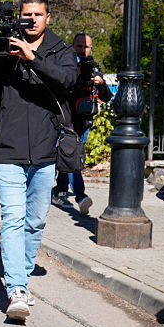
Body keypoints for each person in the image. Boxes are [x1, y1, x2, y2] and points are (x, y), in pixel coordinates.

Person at [0, 0, 76, 322]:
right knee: (13, 218)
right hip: (8, 149)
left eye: (38, 14)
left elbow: (67, 82)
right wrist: (0, 57)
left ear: (48, 17)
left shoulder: (60, 50)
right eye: (27, 14)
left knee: (35, 221)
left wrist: (32, 57)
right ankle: (17, 288)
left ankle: (21, 277)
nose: (32, 19)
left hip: (47, 151)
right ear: (20, 16)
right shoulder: (6, 45)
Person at [51, 33, 112, 216]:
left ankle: (60, 191)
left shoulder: (94, 68)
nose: (82, 50)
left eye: (86, 47)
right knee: (72, 158)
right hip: (67, 121)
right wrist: (75, 76)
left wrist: (100, 83)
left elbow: (106, 97)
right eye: (79, 46)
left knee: (69, 157)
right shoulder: (66, 64)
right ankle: (80, 196)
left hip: (84, 122)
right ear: (72, 46)